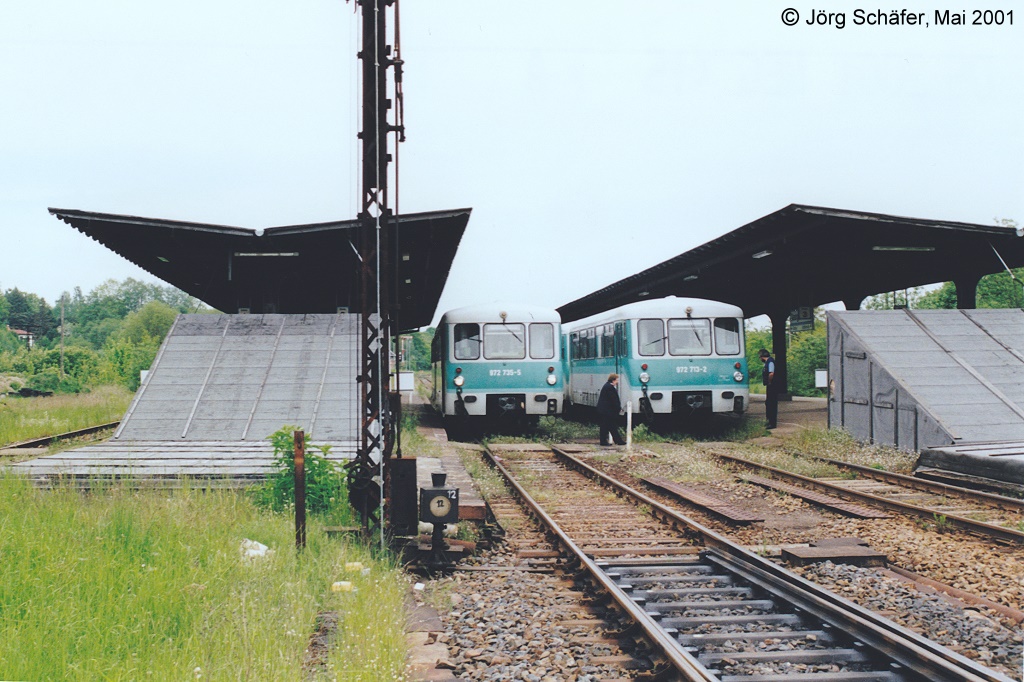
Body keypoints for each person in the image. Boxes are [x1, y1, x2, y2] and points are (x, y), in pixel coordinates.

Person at [596, 373, 626, 446]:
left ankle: (618, 441)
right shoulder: (609, 387)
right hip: (607, 411)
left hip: (606, 410)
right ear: (613, 380)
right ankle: (605, 442)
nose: (617, 382)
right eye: (616, 380)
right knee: (606, 426)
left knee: (610, 426)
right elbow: (613, 400)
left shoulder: (607, 386)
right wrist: (618, 408)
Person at [759, 349, 778, 429]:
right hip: (770, 386)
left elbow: (771, 373)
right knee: (768, 403)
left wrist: (769, 381)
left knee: (771, 403)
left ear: (762, 356)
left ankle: (772, 423)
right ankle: (769, 421)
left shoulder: (770, 362)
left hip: (772, 386)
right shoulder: (768, 362)